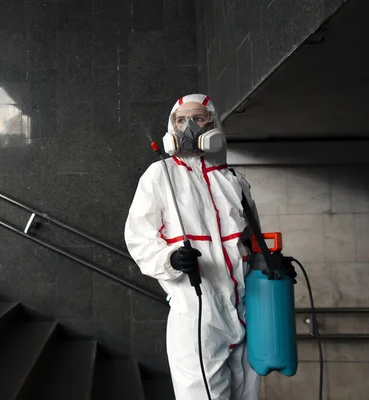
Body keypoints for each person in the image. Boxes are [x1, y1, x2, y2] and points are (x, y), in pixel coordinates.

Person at [124, 94, 261, 400]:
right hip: (198, 312)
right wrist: (171, 259)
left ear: (213, 124)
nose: (189, 127)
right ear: (171, 126)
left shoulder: (234, 180)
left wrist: (271, 265)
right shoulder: (160, 175)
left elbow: (253, 240)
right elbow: (139, 237)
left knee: (247, 395)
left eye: (198, 119)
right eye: (181, 120)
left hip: (244, 309)